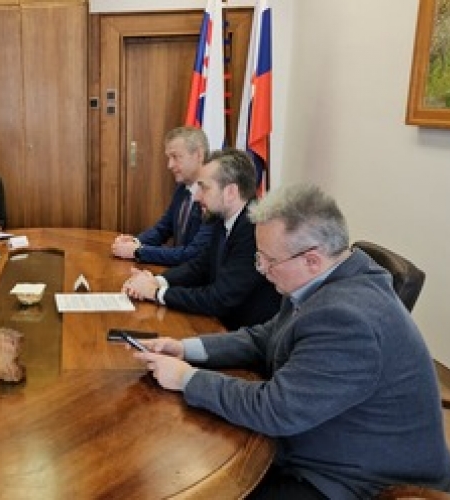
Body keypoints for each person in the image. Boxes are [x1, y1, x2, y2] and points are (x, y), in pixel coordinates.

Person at [133, 184, 450, 499]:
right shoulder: (323, 279)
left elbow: (274, 410)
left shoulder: (346, 320)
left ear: (311, 259)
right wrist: (185, 348)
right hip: (319, 437)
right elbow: (266, 337)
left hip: (357, 479)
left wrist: (187, 379)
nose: (262, 270)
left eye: (268, 260)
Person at [123, 148, 280, 330]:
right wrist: (157, 281)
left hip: (245, 337)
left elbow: (219, 298)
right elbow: (199, 267)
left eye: (204, 188)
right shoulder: (222, 220)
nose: (197, 197)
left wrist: (156, 293)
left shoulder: (255, 230)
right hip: (222, 327)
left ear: (230, 192)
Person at [112, 127, 214, 266]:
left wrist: (138, 251)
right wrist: (136, 242)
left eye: (176, 157)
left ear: (198, 155)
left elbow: (192, 253)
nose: (169, 165)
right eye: (169, 158)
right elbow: (163, 229)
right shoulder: (182, 189)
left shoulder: (213, 198)